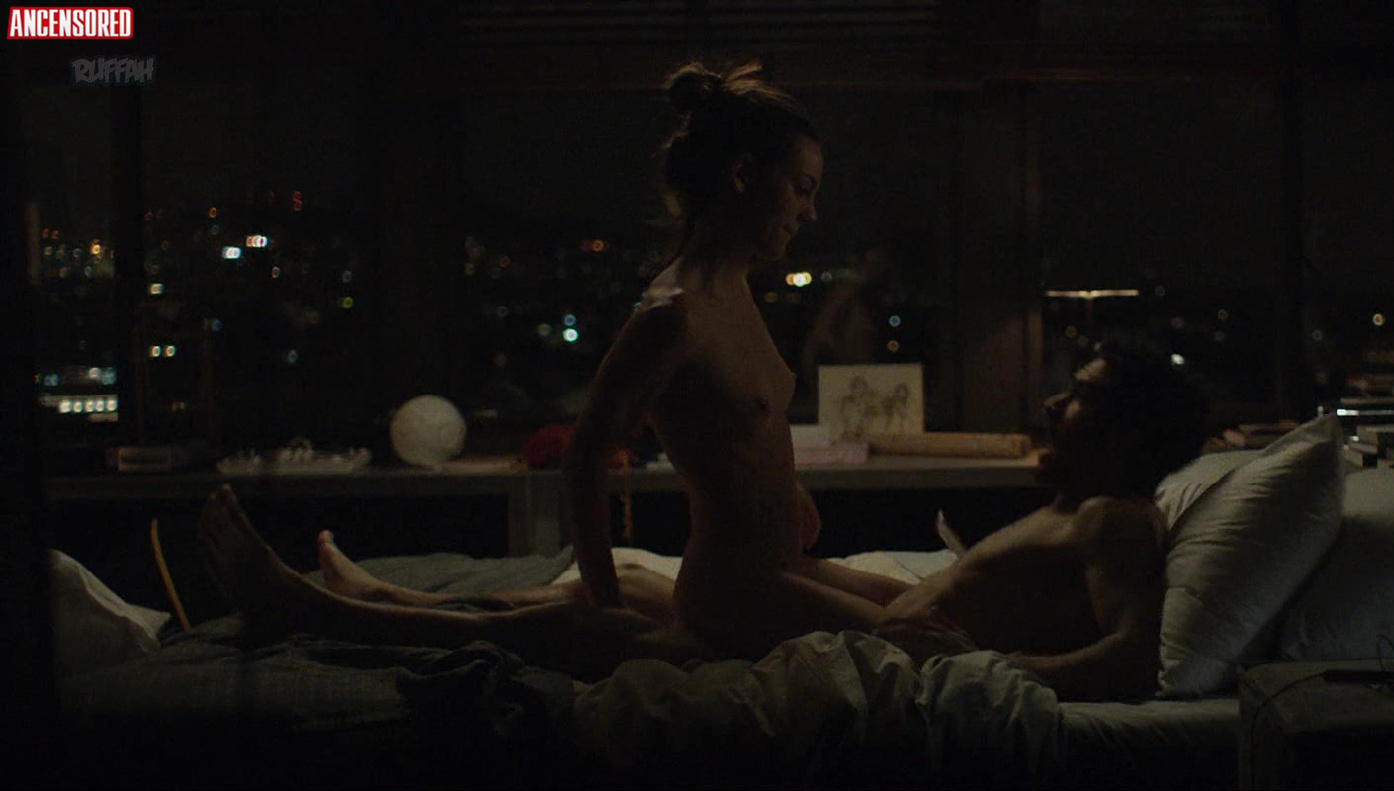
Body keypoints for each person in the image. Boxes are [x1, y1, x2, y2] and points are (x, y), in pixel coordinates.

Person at [196, 342, 1210, 699]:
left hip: (874, 665)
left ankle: (327, 616)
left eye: (1079, 398)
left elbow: (1133, 660)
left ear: (1122, 436)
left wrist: (986, 668)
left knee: (593, 624)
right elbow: (955, 597)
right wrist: (842, 583)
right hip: (865, 628)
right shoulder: (1074, 508)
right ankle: (381, 592)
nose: (1053, 405)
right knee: (634, 583)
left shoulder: (1116, 521)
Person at [561, 60, 913, 658]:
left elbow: (737, 425)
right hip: (737, 590)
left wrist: (785, 491)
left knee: (940, 608)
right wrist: (606, 602)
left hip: (783, 566)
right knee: (925, 647)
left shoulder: (735, 288)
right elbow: (584, 457)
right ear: (744, 175)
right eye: (802, 188)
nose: (810, 212)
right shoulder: (674, 314)